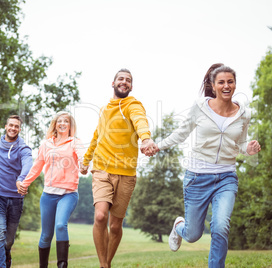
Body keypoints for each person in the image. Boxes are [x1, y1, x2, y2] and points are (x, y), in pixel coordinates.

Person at [150, 64, 261, 268]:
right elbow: (181, 133)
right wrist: (158, 145)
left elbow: (241, 143)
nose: (226, 86)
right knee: (193, 235)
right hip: (197, 177)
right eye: (221, 82)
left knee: (220, 227)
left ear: (235, 84)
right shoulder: (200, 107)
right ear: (213, 85)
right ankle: (179, 226)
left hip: (226, 177)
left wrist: (249, 148)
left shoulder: (244, 113)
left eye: (230, 81)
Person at [80, 68, 156, 268]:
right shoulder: (104, 109)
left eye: (128, 80)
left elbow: (140, 121)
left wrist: (146, 138)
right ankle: (103, 265)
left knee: (115, 226)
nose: (124, 82)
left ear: (131, 86)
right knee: (100, 215)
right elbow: (97, 136)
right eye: (120, 79)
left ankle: (107, 263)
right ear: (112, 83)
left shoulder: (132, 105)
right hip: (102, 169)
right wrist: (86, 161)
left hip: (126, 174)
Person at [17, 111, 84, 268]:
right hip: (48, 195)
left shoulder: (75, 142)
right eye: (59, 121)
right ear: (55, 124)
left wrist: (84, 165)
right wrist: (24, 183)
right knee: (46, 235)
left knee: (61, 225)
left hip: (68, 194)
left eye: (65, 121)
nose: (62, 123)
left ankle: (62, 265)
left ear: (70, 125)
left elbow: (82, 156)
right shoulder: (46, 144)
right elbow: (37, 167)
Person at [0, 115, 33, 268]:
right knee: (0, 234)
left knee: (9, 240)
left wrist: (21, 179)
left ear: (20, 129)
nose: (13, 128)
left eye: (17, 126)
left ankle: (7, 254)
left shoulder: (23, 148)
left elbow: (28, 164)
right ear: (6, 126)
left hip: (15, 200)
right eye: (11, 125)